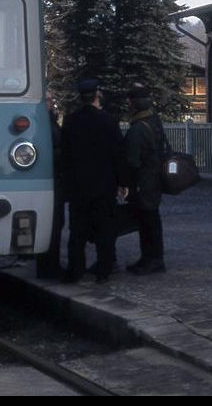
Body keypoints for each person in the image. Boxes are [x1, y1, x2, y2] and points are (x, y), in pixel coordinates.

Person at [60, 78, 124, 283]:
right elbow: (118, 154)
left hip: (79, 186)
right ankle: (104, 270)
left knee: (77, 231)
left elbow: (65, 155)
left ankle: (75, 270)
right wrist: (122, 182)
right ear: (97, 96)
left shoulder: (71, 121)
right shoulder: (108, 121)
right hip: (104, 186)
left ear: (81, 98)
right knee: (105, 229)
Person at [120, 83, 167, 275]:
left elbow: (132, 161)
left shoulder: (138, 128)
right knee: (151, 220)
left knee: (147, 222)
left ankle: (152, 259)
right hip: (154, 180)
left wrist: (126, 184)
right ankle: (151, 258)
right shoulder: (154, 121)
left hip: (143, 183)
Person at [36, 98, 65, 279]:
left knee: (55, 222)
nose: (53, 103)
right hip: (53, 178)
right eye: (50, 100)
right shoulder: (46, 122)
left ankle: (48, 264)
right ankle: (49, 265)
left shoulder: (46, 120)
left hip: (54, 178)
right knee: (54, 222)